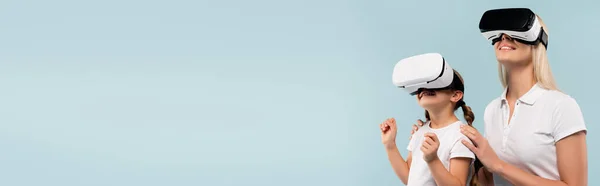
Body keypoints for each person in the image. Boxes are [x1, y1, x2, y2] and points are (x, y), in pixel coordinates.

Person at [412, 9, 588, 186]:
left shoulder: (561, 106)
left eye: (515, 32)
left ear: (537, 39)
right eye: (500, 35)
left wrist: (498, 166)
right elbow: (487, 179)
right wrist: (440, 139)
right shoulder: (493, 110)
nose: (504, 37)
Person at [381, 68, 480, 186]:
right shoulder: (420, 131)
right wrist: (390, 145)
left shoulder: (461, 135)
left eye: (434, 82)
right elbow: (410, 179)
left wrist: (433, 160)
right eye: (421, 85)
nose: (424, 88)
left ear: (455, 95)